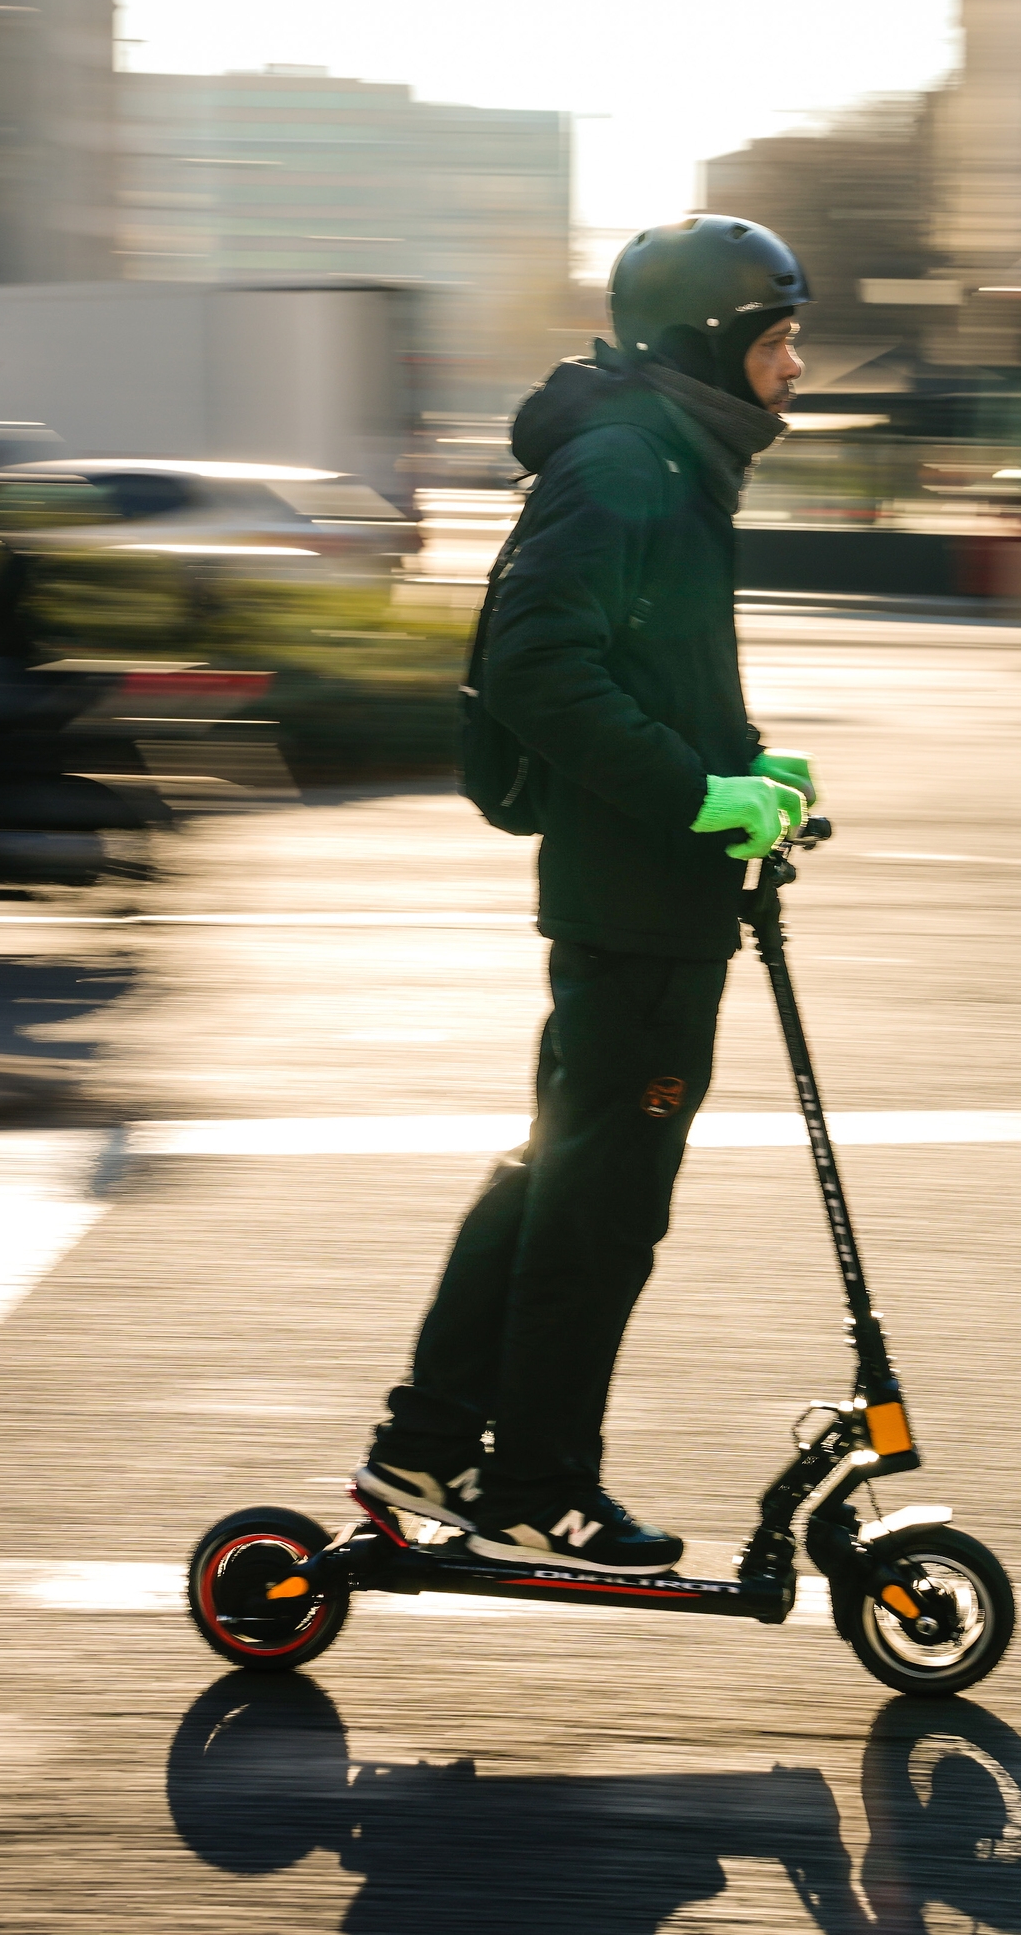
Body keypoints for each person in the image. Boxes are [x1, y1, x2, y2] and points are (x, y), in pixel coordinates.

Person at [355, 216, 820, 1575]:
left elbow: (639, 663)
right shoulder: (628, 463)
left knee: (561, 1176)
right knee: (601, 1207)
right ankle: (539, 1480)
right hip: (632, 903)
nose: (798, 367)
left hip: (646, 895)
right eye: (780, 340)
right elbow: (541, 675)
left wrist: (741, 760)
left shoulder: (665, 459)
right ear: (712, 343)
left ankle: (426, 1445)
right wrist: (696, 794)